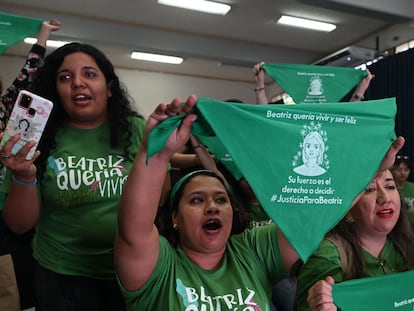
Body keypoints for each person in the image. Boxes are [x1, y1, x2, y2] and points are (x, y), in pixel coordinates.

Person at [114, 95, 404, 310]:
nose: (212, 207)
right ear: (174, 217)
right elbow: (134, 230)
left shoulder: (250, 250)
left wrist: (372, 171)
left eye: (220, 199)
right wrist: (154, 153)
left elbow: (316, 216)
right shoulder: (159, 267)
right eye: (197, 200)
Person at [0, 41, 147, 311]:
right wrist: (23, 174)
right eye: (65, 78)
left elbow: (156, 202)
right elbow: (19, 225)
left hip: (131, 270)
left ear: (110, 88)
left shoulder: (136, 130)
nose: (77, 83)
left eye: (89, 74)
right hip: (62, 276)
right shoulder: (38, 137)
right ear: (55, 90)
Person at [0, 19, 61, 310]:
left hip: (8, 215)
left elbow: (28, 73)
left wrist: (43, 34)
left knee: (15, 287)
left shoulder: (3, 113)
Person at [295, 168, 414, 311]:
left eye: (390, 187)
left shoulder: (407, 244)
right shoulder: (328, 256)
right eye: (369, 189)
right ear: (348, 205)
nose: (385, 198)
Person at [252, 62, 374, 105]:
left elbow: (350, 117)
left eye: (318, 84)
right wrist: (260, 84)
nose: (315, 86)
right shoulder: (295, 117)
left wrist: (360, 90)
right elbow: (265, 114)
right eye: (313, 84)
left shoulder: (331, 119)